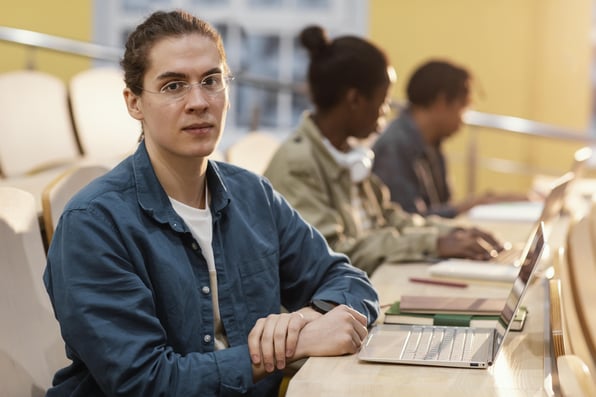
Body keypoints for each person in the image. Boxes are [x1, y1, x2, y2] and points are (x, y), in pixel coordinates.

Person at [43, 10, 379, 397]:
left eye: (211, 81)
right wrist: (294, 345)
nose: (199, 101)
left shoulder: (254, 195)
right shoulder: (94, 223)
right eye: (173, 86)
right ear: (134, 103)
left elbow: (352, 283)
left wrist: (304, 318)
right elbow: (146, 382)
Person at [264, 26, 504, 276]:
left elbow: (389, 219)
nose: (386, 111)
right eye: (384, 100)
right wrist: (433, 244)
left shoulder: (348, 153)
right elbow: (332, 252)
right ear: (355, 100)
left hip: (364, 285)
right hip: (324, 305)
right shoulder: (298, 164)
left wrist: (452, 233)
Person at [372, 59, 527, 218]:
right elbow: (409, 220)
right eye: (464, 106)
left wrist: (488, 201)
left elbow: (441, 207)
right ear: (441, 101)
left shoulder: (431, 142)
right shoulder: (394, 146)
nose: (464, 118)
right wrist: (472, 205)